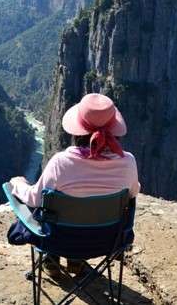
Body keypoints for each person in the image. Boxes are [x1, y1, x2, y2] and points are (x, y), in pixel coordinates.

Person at [8, 93, 140, 276]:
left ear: (78, 130)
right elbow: (133, 194)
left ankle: (52, 260)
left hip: (59, 240)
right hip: (106, 241)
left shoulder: (61, 162)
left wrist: (17, 185)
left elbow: (34, 199)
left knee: (47, 210)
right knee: (81, 213)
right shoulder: (128, 162)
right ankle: (76, 262)